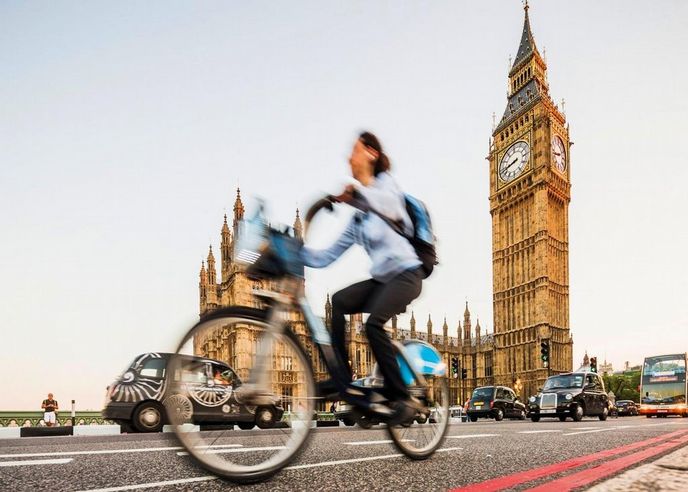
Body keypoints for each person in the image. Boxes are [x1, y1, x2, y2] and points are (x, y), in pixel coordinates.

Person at [301, 131, 424, 425]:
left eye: (353, 150)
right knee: (341, 301)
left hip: (408, 274)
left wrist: (357, 194)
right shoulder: (359, 219)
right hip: (383, 281)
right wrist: (296, 252)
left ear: (370, 153)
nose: (348, 157)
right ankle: (342, 380)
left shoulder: (387, 187)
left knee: (373, 325)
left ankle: (402, 395)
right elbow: (325, 257)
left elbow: (390, 206)